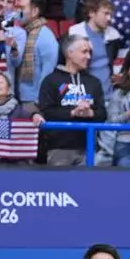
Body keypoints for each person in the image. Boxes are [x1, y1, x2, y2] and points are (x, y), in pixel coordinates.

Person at [36, 35, 104, 166]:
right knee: (61, 186)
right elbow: (47, 113)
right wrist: (73, 112)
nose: (88, 56)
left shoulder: (94, 82)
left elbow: (102, 113)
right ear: (69, 53)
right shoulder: (50, 81)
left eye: (89, 52)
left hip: (88, 148)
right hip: (59, 149)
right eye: (84, 52)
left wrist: (90, 113)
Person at [68, 0, 120, 99]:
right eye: (105, 14)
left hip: (108, 97)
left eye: (110, 14)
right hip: (84, 97)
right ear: (91, 13)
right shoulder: (75, 35)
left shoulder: (113, 36)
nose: (109, 18)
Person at [15, 0, 57, 111]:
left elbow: (48, 71)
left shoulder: (46, 36)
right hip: (20, 97)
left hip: (35, 101)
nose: (17, 12)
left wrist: (40, 99)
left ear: (34, 11)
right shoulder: (22, 33)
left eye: (22, 8)